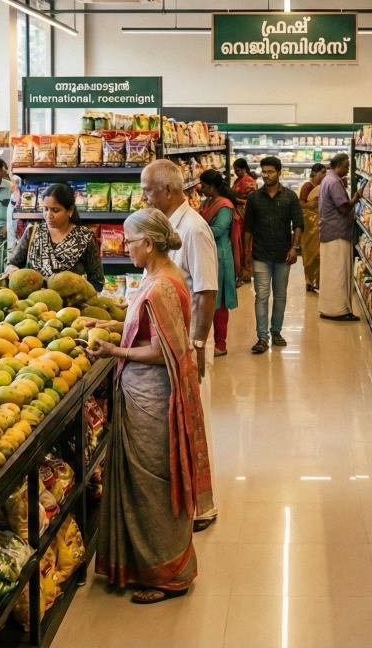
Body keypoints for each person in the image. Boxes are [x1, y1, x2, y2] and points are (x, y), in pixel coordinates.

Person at [88, 208, 212, 605]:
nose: (126, 248)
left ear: (150, 243)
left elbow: (162, 351)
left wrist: (114, 349)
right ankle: (148, 564)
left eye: (131, 241)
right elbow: (149, 324)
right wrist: (116, 325)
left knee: (154, 484)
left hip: (153, 399)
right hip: (145, 394)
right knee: (148, 481)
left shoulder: (161, 286)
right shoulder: (160, 277)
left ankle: (168, 575)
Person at [140, 159, 220, 531]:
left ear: (169, 190)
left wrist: (198, 342)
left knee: (190, 424)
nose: (143, 196)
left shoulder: (194, 229)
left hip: (185, 342)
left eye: (149, 189)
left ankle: (202, 506)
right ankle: (185, 499)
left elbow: (206, 290)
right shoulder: (167, 227)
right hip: (171, 341)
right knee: (179, 422)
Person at [243, 156, 303, 354]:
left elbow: (299, 225)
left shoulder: (290, 197)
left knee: (280, 296)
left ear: (279, 172)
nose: (266, 175)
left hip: (283, 255)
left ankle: (276, 331)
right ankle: (262, 338)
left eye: (270, 172)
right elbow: (248, 228)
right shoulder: (254, 198)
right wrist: (246, 252)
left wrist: (295, 248)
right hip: (260, 254)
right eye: (264, 172)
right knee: (261, 296)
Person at [6, 183, 104, 291]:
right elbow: (13, 263)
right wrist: (12, 271)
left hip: (71, 305)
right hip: (32, 303)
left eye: (55, 210)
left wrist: (81, 293)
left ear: (70, 210)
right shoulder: (33, 232)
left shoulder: (84, 237)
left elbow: (97, 281)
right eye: (46, 209)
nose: (48, 215)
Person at [196, 170, 242, 357]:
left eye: (204, 186)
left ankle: (220, 344)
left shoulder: (225, 206)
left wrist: (196, 231)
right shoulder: (207, 202)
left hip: (220, 258)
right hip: (207, 254)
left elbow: (219, 229)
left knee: (219, 300)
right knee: (207, 299)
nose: (201, 189)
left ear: (212, 186)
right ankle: (206, 342)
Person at [317, 153, 359, 321]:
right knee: (338, 273)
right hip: (337, 234)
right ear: (339, 165)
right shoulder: (334, 182)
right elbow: (343, 208)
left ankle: (329, 307)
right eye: (347, 166)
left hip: (330, 232)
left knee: (331, 273)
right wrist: (355, 199)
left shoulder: (329, 179)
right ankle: (337, 311)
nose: (348, 169)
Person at [297, 163, 326, 292]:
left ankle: (319, 281)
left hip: (320, 223)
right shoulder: (307, 186)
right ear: (314, 173)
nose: (325, 175)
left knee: (320, 254)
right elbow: (300, 204)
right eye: (322, 172)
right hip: (309, 224)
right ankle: (309, 281)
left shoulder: (324, 186)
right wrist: (311, 204)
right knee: (309, 253)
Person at [231, 158, 257, 282]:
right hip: (239, 214)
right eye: (235, 170)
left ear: (244, 169)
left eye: (238, 170)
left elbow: (252, 202)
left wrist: (237, 201)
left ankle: (246, 273)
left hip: (245, 215)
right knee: (240, 243)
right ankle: (241, 271)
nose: (236, 173)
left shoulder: (249, 181)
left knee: (245, 243)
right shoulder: (239, 180)